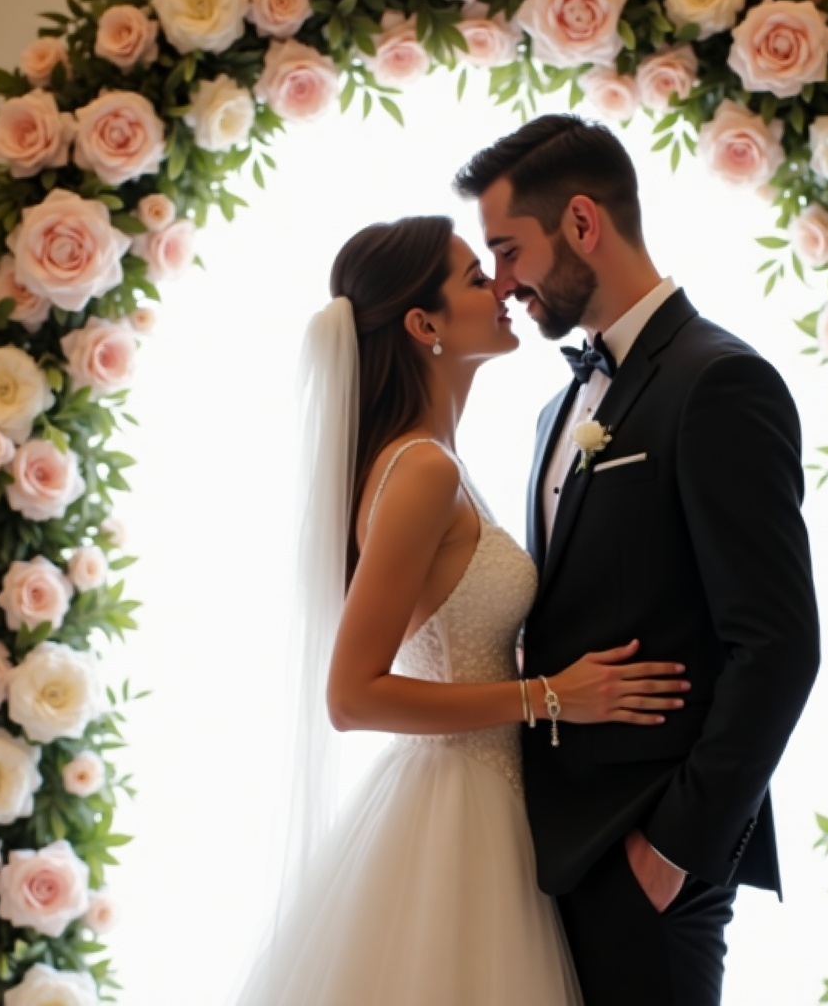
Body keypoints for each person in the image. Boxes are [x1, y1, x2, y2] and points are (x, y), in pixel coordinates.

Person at [235, 215, 692, 1006]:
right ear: (424, 325)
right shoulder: (420, 471)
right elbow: (352, 696)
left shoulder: (437, 461)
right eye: (477, 281)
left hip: (492, 797)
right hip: (459, 813)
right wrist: (549, 696)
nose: (504, 288)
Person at [454, 114, 821, 1006]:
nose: (503, 284)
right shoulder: (555, 410)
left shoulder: (721, 382)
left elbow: (777, 646)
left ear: (582, 224)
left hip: (646, 861)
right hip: (546, 850)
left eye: (508, 250)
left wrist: (672, 852)